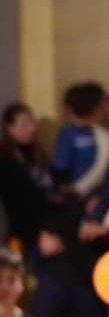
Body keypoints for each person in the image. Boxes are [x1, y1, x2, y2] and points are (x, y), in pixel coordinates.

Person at [1, 102, 60, 251]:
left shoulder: (37, 152)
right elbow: (18, 200)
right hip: (27, 231)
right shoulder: (5, 158)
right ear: (9, 128)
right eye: (25, 125)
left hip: (51, 222)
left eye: (32, 123)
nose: (32, 129)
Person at [55, 83, 109, 203]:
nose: (78, 122)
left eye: (80, 117)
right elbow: (61, 166)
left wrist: (79, 187)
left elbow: (102, 165)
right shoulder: (69, 133)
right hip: (82, 193)